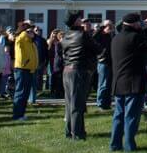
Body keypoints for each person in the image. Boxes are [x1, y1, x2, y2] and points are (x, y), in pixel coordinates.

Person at [109, 12, 147, 152]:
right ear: (135, 24)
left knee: (118, 115)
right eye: (139, 23)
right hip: (134, 83)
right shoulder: (135, 38)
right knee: (131, 116)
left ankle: (115, 144)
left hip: (118, 82)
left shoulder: (116, 38)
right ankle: (129, 145)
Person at [61, 10, 99, 140]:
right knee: (78, 103)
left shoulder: (66, 36)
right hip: (79, 70)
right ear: (75, 21)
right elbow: (97, 49)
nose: (81, 19)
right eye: (79, 18)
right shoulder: (82, 35)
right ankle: (77, 133)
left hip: (67, 70)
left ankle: (69, 131)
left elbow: (64, 53)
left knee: (70, 103)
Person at [12, 21, 39, 121]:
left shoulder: (30, 42)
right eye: (29, 30)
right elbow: (22, 34)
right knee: (20, 93)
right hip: (22, 69)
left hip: (29, 70)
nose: (31, 32)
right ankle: (17, 115)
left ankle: (21, 113)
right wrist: (25, 30)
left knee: (25, 94)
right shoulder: (21, 38)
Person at [93, 20, 115, 109]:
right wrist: (102, 27)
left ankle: (107, 103)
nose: (109, 27)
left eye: (111, 25)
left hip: (111, 62)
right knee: (103, 83)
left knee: (109, 84)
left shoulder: (112, 35)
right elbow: (93, 37)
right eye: (107, 25)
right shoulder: (100, 35)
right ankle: (100, 103)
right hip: (103, 61)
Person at [29, 26, 49, 104]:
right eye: (36, 30)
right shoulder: (31, 39)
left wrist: (46, 63)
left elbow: (46, 52)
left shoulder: (43, 40)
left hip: (41, 62)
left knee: (38, 79)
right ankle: (32, 97)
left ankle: (37, 93)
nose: (38, 31)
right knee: (33, 80)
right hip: (32, 63)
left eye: (39, 30)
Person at [47, 30, 64, 98]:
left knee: (59, 79)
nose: (54, 37)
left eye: (55, 35)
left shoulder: (59, 43)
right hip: (54, 62)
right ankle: (54, 92)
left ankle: (59, 93)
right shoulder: (56, 44)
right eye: (53, 35)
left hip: (58, 62)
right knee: (54, 78)